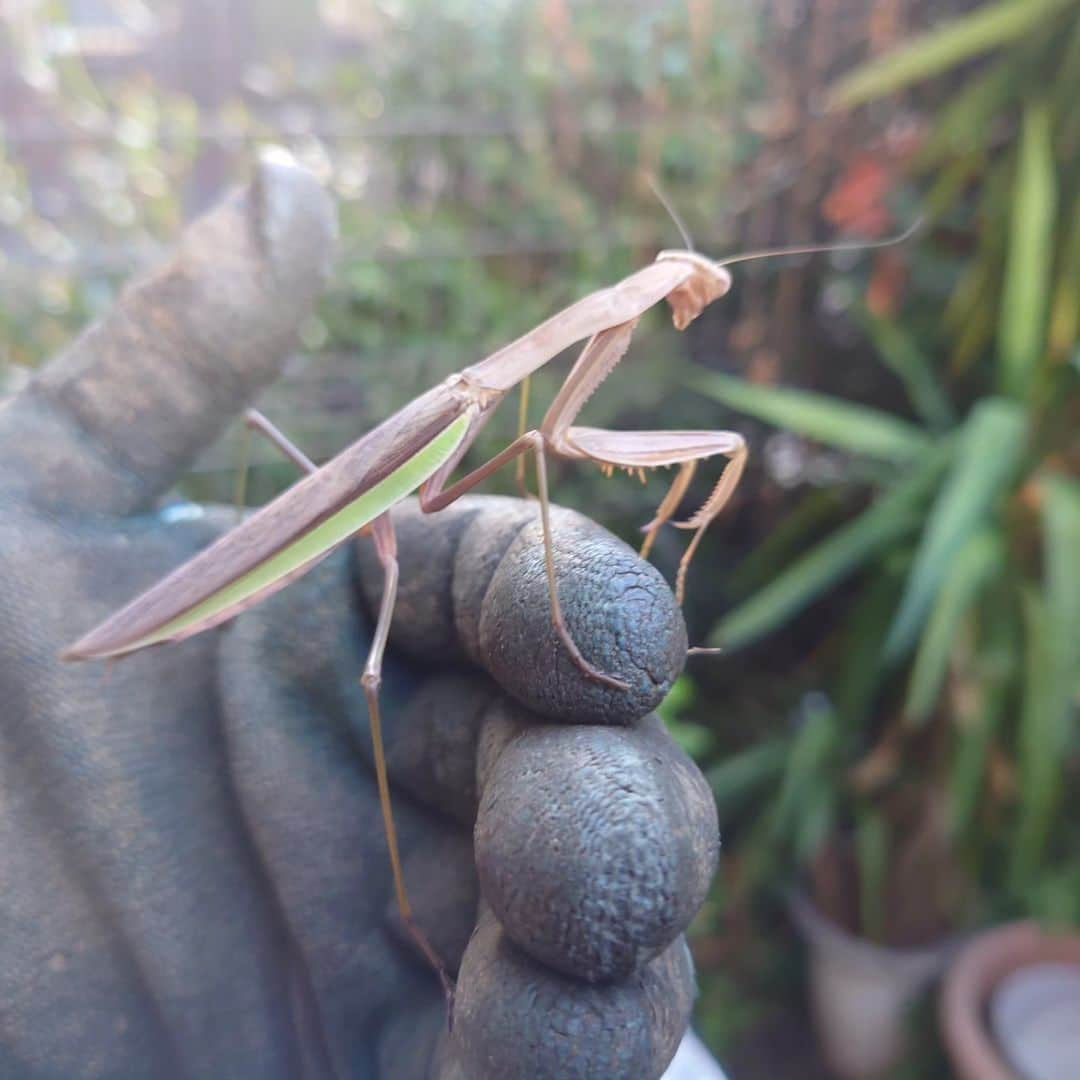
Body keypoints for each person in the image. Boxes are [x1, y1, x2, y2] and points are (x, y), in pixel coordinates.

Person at [0, 152, 717, 1079]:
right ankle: (413, 921)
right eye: (669, 287)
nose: (679, 296)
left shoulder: (494, 396)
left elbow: (546, 439)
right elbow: (548, 449)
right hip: (281, 551)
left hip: (343, 521)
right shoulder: (489, 404)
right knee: (387, 655)